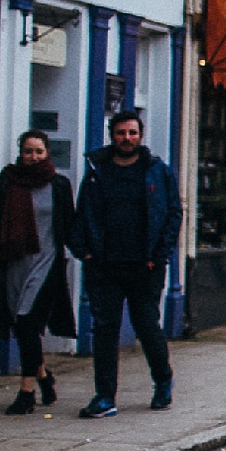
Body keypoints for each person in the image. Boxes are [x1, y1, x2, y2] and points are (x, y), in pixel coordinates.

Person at [67, 109, 182, 418]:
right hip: (105, 265)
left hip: (144, 266)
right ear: (112, 136)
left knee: (146, 326)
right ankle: (104, 396)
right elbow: (82, 215)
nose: (126, 138)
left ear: (140, 136)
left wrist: (159, 257)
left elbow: (173, 215)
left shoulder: (157, 171)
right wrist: (84, 252)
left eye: (132, 133)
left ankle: (162, 381)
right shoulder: (97, 172)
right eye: (120, 133)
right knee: (105, 330)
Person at [0, 130, 76, 415]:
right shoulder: (8, 182)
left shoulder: (59, 185)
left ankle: (26, 392)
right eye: (28, 151)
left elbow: (69, 224)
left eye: (38, 151)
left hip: (46, 264)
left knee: (27, 322)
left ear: (47, 153)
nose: (33, 157)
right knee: (21, 325)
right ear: (20, 153)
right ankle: (44, 376)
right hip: (14, 264)